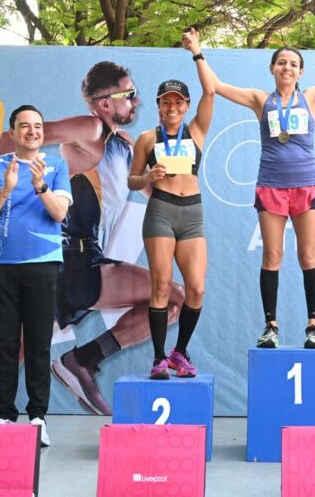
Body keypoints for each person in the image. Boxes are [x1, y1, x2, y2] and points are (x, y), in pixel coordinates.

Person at [0, 61, 184, 416]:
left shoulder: (123, 143)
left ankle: (82, 361)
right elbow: (8, 139)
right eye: (130, 94)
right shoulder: (91, 128)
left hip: (81, 263)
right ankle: (83, 360)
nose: (136, 101)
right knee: (171, 298)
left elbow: (159, 194)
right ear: (105, 103)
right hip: (73, 260)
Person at [204, 37, 315, 349]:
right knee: (272, 255)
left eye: (293, 64)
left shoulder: (312, 98)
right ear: (272, 68)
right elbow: (215, 85)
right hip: (271, 186)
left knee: (308, 255)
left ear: (301, 72)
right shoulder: (260, 100)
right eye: (281, 62)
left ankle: (313, 327)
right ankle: (270, 326)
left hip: (306, 187)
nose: (287, 67)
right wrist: (196, 52)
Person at [0, 105, 72, 446]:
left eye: (38, 126)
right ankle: (5, 414)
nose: (32, 131)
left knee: (38, 341)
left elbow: (59, 213)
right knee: (2, 340)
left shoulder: (57, 165)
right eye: (25, 126)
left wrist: (40, 186)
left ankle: (37, 416)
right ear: (12, 133)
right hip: (0, 265)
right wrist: (6, 189)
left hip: (42, 264)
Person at [129, 29, 215, 379]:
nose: (173, 107)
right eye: (166, 102)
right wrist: (148, 177)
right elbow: (132, 180)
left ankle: (179, 352)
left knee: (196, 288)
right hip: (161, 211)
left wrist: (196, 52)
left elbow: (211, 91)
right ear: (159, 105)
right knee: (162, 285)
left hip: (192, 212)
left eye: (178, 102)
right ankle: (159, 358)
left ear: (187, 106)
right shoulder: (147, 138)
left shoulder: (196, 131)